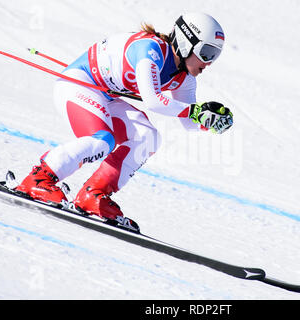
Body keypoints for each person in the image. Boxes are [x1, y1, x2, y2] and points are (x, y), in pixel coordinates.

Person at [15, 12, 234, 229]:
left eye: (214, 56)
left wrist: (210, 122)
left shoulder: (184, 78)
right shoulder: (151, 49)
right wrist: (196, 112)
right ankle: (39, 178)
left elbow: (189, 122)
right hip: (78, 85)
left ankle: (93, 194)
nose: (209, 63)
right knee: (101, 141)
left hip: (106, 96)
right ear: (187, 42)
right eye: (206, 53)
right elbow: (153, 101)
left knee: (148, 137)